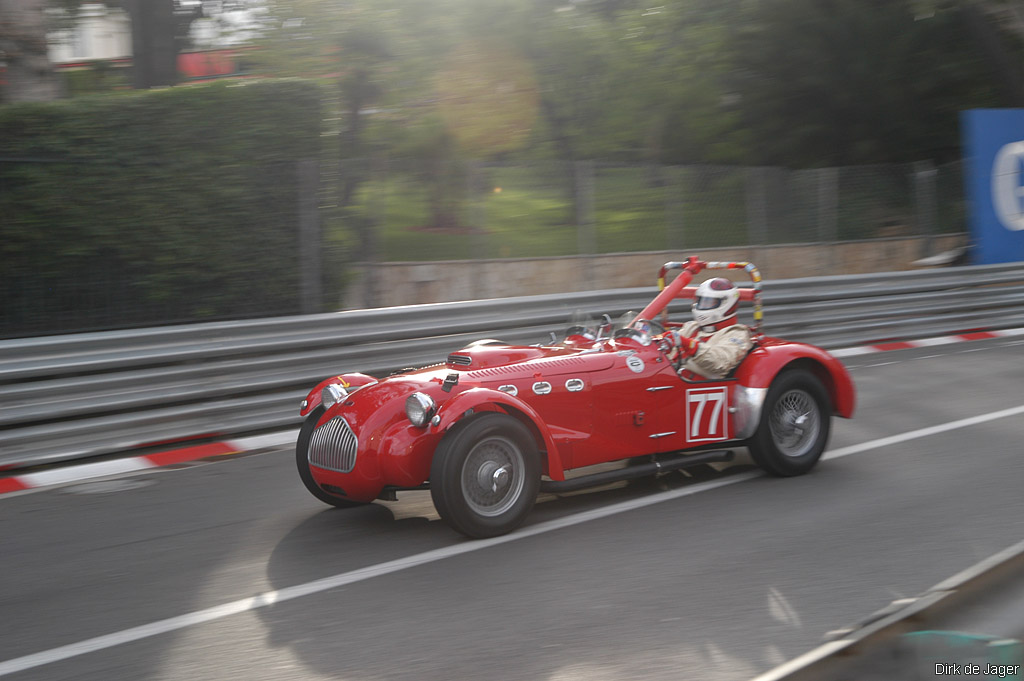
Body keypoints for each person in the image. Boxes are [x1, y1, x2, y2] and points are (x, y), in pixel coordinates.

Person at [664, 277, 753, 379]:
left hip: (699, 387)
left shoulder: (737, 334)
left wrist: (691, 345)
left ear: (726, 304)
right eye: (701, 302)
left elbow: (720, 362)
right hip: (671, 378)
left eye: (708, 302)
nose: (702, 306)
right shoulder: (692, 327)